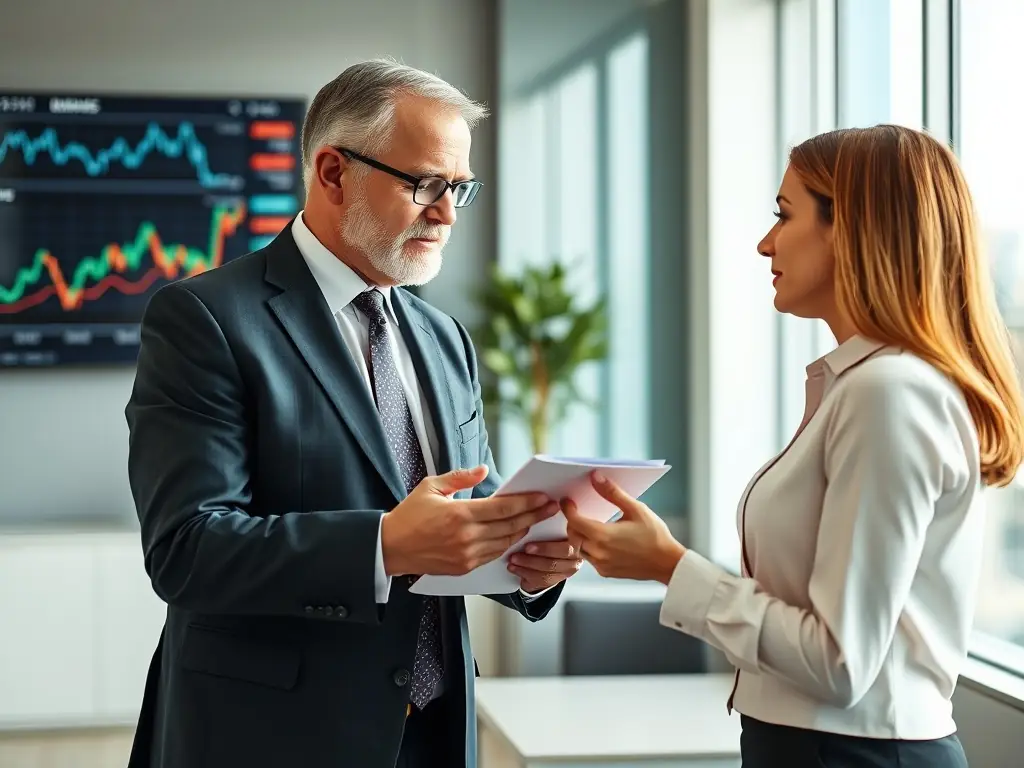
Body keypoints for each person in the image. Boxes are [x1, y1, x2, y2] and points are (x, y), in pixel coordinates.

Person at [124, 59, 583, 768]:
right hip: (274, 739)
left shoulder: (443, 338)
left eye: (459, 188)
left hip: (436, 733)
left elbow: (468, 508)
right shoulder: (205, 318)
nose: (447, 213)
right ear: (334, 172)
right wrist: (384, 545)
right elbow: (187, 549)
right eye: (426, 184)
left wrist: (528, 560)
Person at [557, 124, 1024, 768]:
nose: (764, 243)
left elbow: (838, 662)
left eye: (784, 215)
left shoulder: (886, 393)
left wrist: (670, 566)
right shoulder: (862, 386)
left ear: (852, 230)